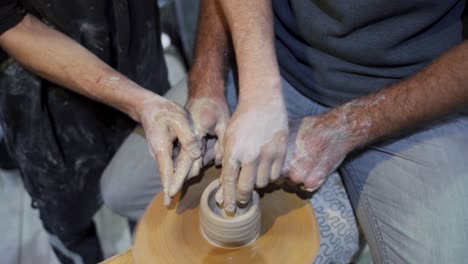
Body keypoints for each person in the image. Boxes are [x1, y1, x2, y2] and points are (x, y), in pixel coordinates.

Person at [178, 0, 466, 263]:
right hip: (269, 51)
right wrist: (210, 81)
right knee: (147, 180)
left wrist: (347, 127)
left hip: (410, 86)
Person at [101, 1, 360, 263]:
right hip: (272, 57)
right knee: (120, 190)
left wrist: (343, 129)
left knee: (337, 247)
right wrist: (207, 85)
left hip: (376, 94)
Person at [0, 1, 200, 263]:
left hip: (135, 46)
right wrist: (138, 101)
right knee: (67, 218)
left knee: (151, 193)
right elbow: (12, 23)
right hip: (41, 92)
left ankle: (146, 247)